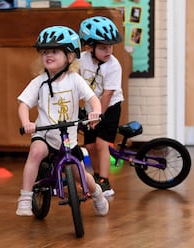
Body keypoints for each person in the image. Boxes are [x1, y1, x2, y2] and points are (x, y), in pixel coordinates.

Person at [16, 26, 109, 217]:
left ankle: (98, 194)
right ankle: (25, 197)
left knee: (79, 174)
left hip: (68, 140)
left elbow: (92, 99)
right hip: (45, 134)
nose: (48, 55)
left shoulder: (75, 79)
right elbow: (23, 104)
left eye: (55, 51)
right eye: (45, 52)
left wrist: (96, 112)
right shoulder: (39, 81)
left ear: (70, 56)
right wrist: (27, 122)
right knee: (36, 152)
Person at [78, 16, 124, 198]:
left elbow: (108, 94)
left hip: (109, 107)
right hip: (91, 108)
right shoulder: (82, 60)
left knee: (101, 144)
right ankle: (96, 177)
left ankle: (105, 182)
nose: (108, 51)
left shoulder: (113, 65)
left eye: (110, 47)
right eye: (103, 47)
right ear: (89, 46)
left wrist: (97, 116)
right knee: (89, 146)